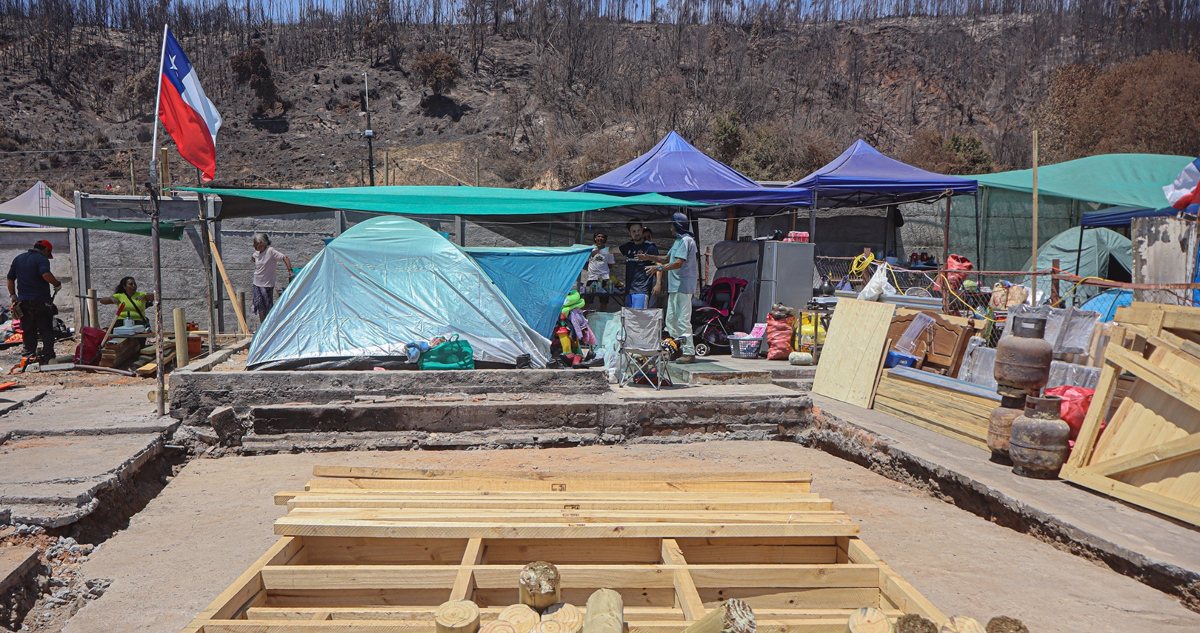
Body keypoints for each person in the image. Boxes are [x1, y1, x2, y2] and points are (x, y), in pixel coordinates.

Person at [637, 212, 698, 364]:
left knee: (683, 320)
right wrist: (648, 257)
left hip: (683, 286)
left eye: (672, 224)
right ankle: (677, 347)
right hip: (675, 287)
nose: (670, 228)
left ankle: (689, 352)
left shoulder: (686, 241)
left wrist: (658, 269)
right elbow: (666, 258)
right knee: (671, 319)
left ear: (677, 225)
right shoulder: (678, 241)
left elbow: (678, 263)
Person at [6, 240, 61, 364]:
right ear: (46, 250)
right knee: (46, 329)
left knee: (28, 330)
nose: (48, 256)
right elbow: (45, 274)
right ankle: (48, 357)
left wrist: (13, 296)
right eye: (48, 254)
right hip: (41, 301)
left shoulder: (18, 259)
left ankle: (28, 357)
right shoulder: (41, 259)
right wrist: (57, 284)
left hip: (24, 301)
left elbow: (10, 279)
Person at [251, 233, 293, 325]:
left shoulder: (270, 251)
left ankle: (269, 326)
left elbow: (285, 258)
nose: (253, 245)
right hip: (257, 283)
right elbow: (253, 258)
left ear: (260, 243)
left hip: (267, 284)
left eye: (255, 243)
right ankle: (262, 326)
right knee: (260, 307)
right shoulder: (256, 254)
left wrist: (290, 271)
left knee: (267, 306)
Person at [618, 221, 659, 309]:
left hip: (642, 290)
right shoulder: (629, 246)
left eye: (638, 230)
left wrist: (658, 283)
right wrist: (596, 250)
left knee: (639, 318)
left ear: (641, 230)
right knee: (629, 318)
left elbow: (659, 264)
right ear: (630, 233)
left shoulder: (650, 247)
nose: (637, 233)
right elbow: (612, 250)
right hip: (629, 290)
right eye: (634, 231)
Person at [584, 233, 615, 310]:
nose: (600, 238)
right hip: (592, 278)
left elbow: (610, 265)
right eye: (598, 236)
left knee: (604, 301)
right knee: (587, 300)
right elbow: (586, 262)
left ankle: (602, 319)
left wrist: (603, 272)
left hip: (604, 278)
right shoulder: (590, 249)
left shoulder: (609, 250)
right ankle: (583, 319)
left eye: (602, 237)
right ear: (595, 238)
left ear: (605, 239)